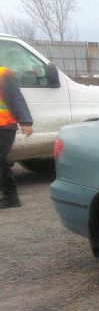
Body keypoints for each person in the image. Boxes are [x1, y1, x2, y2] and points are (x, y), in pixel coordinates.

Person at [0, 65, 34, 209]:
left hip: (5, 125)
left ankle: (10, 197)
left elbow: (16, 97)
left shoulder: (3, 73)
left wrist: (25, 121)